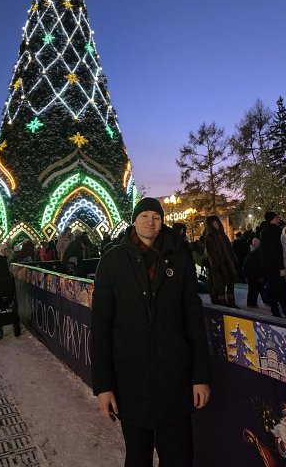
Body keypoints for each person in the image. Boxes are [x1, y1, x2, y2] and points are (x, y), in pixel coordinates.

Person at [91, 197, 211, 467]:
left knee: (179, 457)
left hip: (175, 381)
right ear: (134, 221)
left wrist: (200, 377)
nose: (150, 222)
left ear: (162, 222)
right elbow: (100, 328)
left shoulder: (179, 260)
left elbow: (193, 321)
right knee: (137, 457)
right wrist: (103, 386)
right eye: (144, 216)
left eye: (156, 217)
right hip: (131, 383)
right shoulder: (112, 262)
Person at [260, 211, 286, 319]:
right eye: (277, 217)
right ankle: (284, 312)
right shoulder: (269, 232)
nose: (278, 219)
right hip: (273, 266)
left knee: (276, 290)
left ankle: (278, 311)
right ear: (272, 219)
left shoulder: (270, 231)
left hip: (272, 266)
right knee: (279, 290)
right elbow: (274, 251)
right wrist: (281, 267)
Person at [204, 214, 239, 307]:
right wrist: (215, 266)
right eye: (214, 224)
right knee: (220, 287)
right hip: (219, 266)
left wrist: (234, 261)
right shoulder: (209, 237)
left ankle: (231, 302)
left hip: (229, 265)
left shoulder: (223, 235)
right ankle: (222, 304)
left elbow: (230, 250)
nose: (216, 225)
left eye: (217, 223)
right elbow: (210, 254)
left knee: (231, 284)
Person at [243, 238, 264, 307]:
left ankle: (251, 302)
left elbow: (246, 264)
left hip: (251, 273)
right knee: (254, 289)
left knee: (253, 289)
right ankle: (252, 303)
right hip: (254, 274)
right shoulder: (257, 253)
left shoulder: (252, 252)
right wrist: (261, 275)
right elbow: (259, 265)